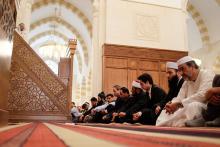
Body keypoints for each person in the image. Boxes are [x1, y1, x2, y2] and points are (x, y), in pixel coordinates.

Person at [156, 56, 215, 127]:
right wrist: (171, 104)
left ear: (192, 66)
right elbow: (179, 97)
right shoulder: (186, 82)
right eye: (179, 70)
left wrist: (179, 104)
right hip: (185, 105)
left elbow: (203, 95)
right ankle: (179, 124)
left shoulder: (207, 74)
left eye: (182, 69)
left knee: (193, 106)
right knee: (165, 111)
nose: (181, 73)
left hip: (204, 107)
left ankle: (181, 124)